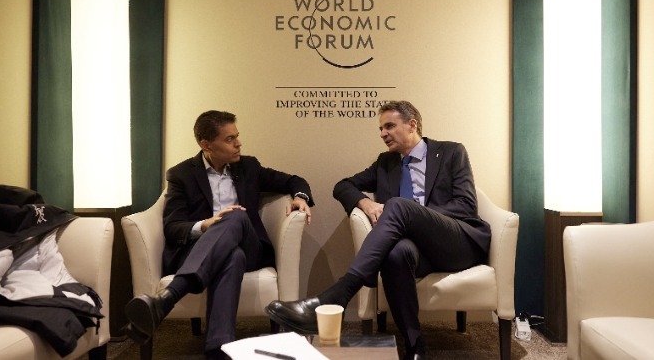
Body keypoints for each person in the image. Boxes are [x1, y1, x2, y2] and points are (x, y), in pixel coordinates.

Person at [266, 101, 490, 360]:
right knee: (395, 254)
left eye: (389, 126)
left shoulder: (451, 152)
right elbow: (343, 186)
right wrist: (366, 203)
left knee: (398, 205)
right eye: (381, 128)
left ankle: (340, 293)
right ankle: (414, 346)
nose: (383, 133)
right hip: (418, 252)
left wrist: (416, 215)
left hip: (457, 243)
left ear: (412, 125)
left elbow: (466, 205)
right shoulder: (386, 163)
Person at [124, 110, 314, 360]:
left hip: (249, 247)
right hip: (201, 250)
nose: (238, 144)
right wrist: (205, 225)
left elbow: (294, 180)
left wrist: (300, 197)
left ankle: (169, 297)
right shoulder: (181, 175)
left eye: (237, 136)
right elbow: (173, 227)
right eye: (229, 139)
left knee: (236, 216)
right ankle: (218, 349)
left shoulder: (249, 167)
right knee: (232, 257)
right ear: (206, 145)